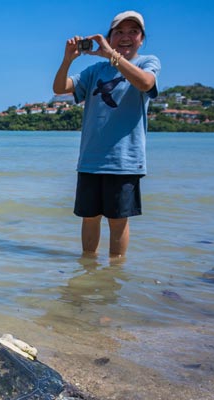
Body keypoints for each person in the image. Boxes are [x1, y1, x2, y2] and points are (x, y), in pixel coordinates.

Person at [52, 11, 160, 259]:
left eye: (133, 31)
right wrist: (67, 59)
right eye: (119, 32)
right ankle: (89, 271)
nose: (125, 37)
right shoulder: (94, 71)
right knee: (89, 218)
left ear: (141, 38)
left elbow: (145, 84)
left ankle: (114, 276)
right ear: (110, 37)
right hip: (90, 158)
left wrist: (111, 55)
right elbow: (59, 88)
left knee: (117, 220)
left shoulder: (148, 62)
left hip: (125, 161)